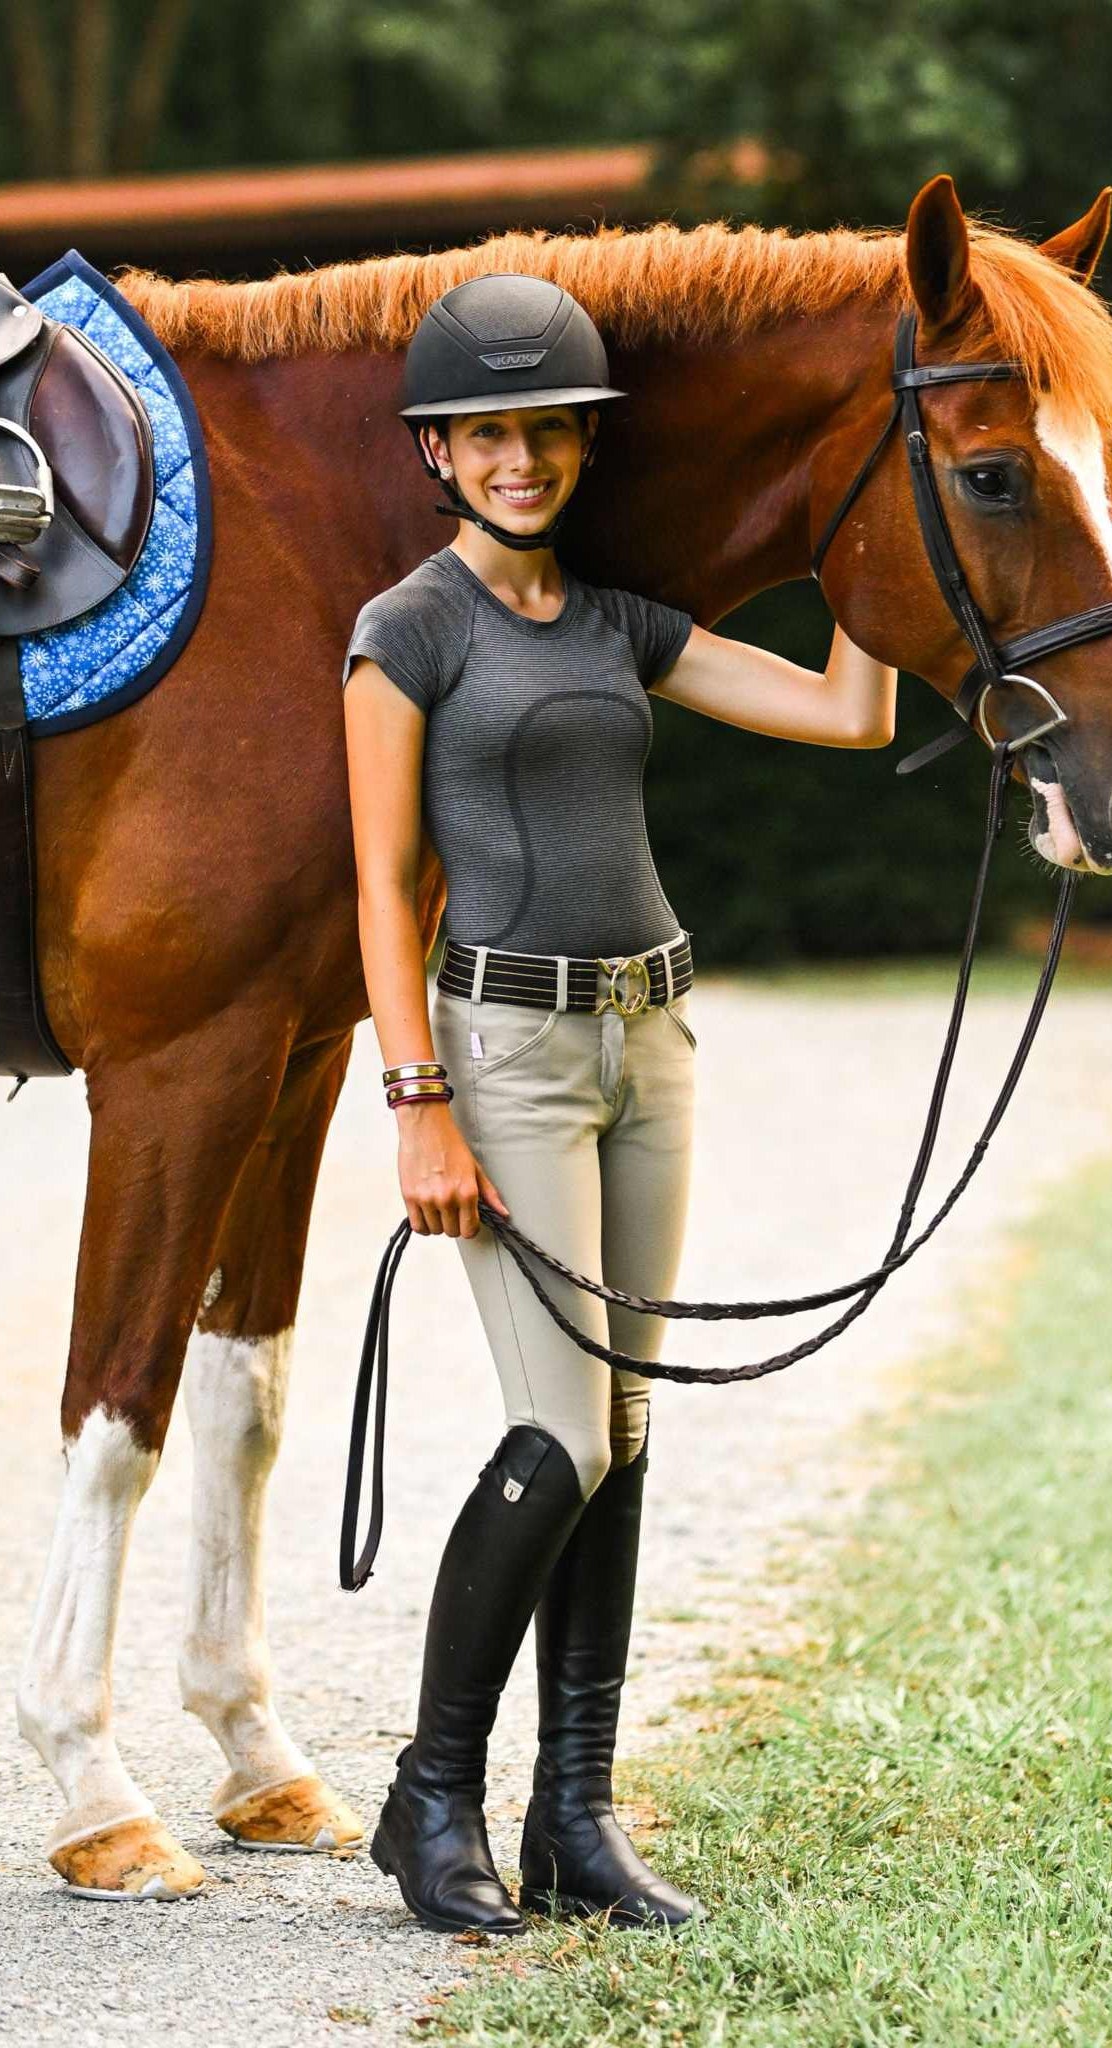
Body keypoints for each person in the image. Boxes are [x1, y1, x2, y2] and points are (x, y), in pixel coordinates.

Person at [341, 273, 897, 1937]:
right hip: (498, 1052)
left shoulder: (620, 623)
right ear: (438, 449)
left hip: (648, 1046)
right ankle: (428, 1801)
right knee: (561, 1428)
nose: (523, 460)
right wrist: (415, 1103)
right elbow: (378, 891)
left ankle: (572, 1816)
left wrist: (867, 521)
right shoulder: (405, 631)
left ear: (583, 446)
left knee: (626, 1431)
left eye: (550, 433)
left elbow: (849, 712)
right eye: (490, 433)